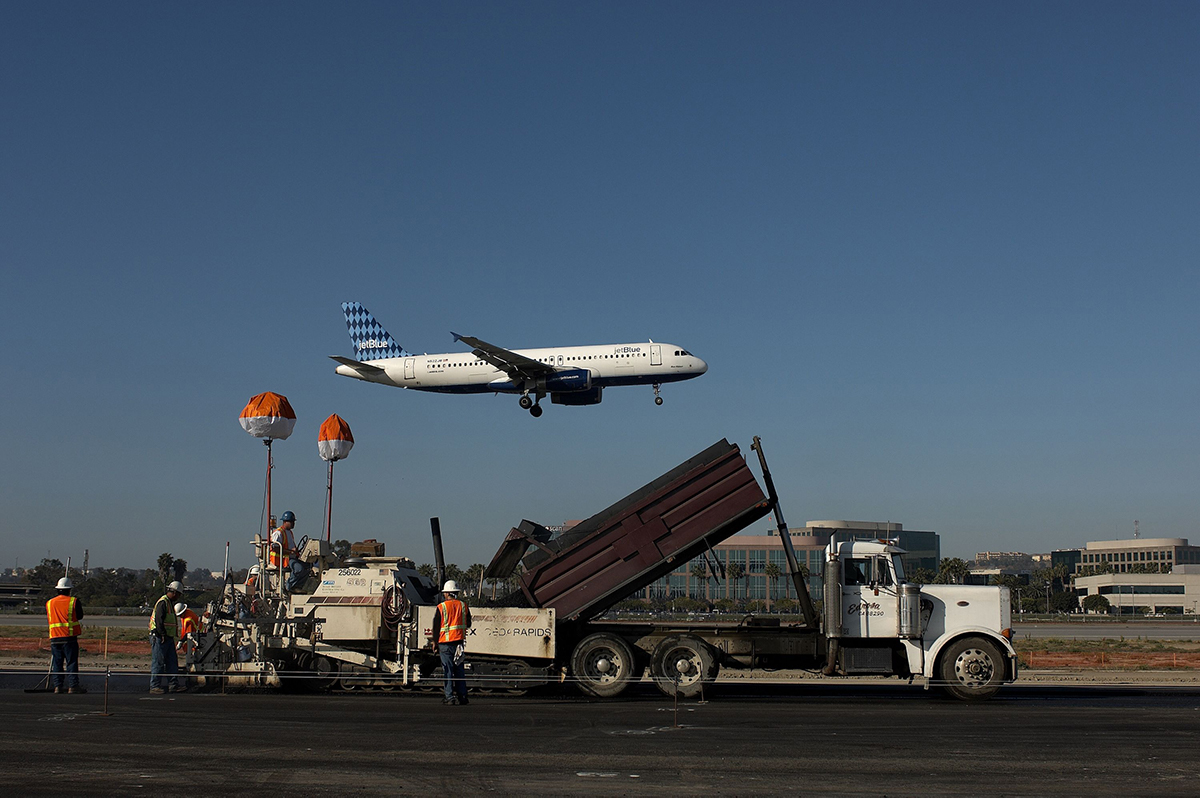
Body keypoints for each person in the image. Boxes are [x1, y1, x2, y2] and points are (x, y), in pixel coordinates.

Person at [429, 580, 472, 705]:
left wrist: (435, 642)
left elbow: (436, 627)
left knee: (447, 670)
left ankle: (449, 697)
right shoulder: (463, 606)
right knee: (459, 670)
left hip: (445, 644)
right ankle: (462, 696)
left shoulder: (441, 607)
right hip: (459, 644)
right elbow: (468, 623)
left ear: (447, 593)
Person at [46, 577, 86, 694]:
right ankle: (73, 686)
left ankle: (58, 686)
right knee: (71, 662)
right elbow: (79, 616)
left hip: (54, 637)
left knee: (57, 663)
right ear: (69, 590)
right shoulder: (74, 601)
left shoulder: (49, 603)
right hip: (69, 636)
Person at [148, 581, 184, 694]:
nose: (178, 597)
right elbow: (159, 620)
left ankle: (173, 685)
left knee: (172, 662)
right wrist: (162, 634)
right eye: (178, 594)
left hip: (168, 637)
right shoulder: (163, 602)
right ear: (174, 593)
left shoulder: (169, 603)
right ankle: (154, 686)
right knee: (158, 662)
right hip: (160, 637)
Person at [270, 511, 310, 592]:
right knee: (298, 569)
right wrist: (290, 551)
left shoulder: (289, 532)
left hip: (291, 557)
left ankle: (297, 586)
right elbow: (275, 548)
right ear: (285, 522)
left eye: (293, 522)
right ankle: (289, 586)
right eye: (291, 522)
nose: (293, 524)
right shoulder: (278, 533)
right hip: (283, 559)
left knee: (308, 567)